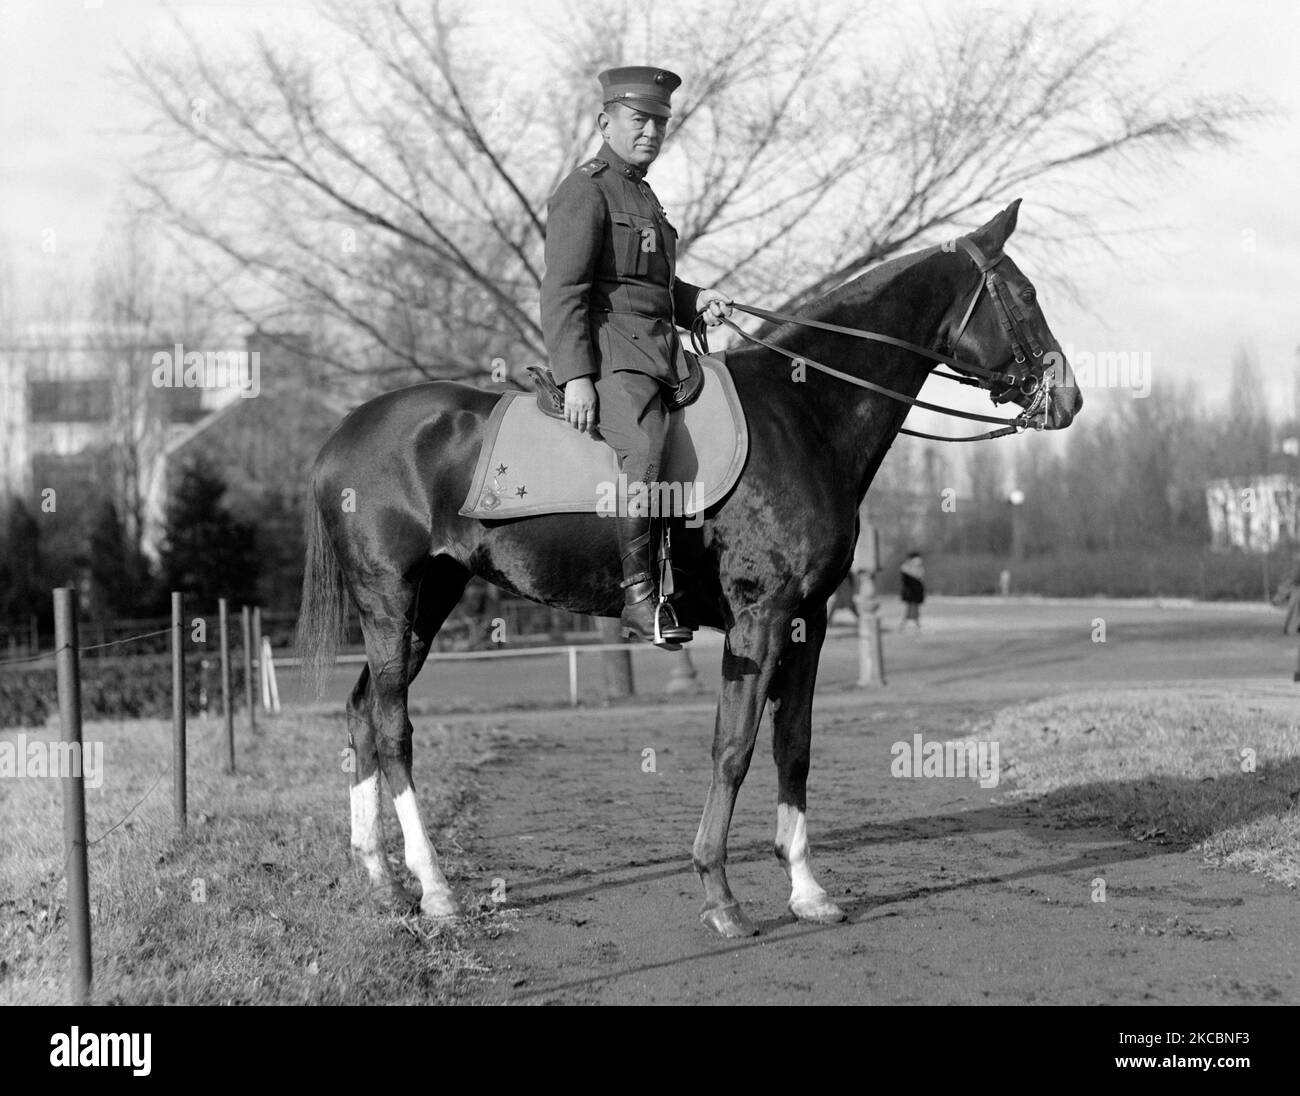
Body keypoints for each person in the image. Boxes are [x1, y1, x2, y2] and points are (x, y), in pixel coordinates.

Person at [540, 66, 732, 648]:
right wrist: (576, 377)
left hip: (660, 354)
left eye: (660, 123)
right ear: (606, 121)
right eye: (639, 119)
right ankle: (638, 598)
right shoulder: (584, 190)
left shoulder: (643, 196)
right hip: (611, 357)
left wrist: (696, 300)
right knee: (644, 450)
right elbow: (564, 290)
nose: (651, 131)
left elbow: (646, 287)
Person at [899, 551, 925, 631]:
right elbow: (908, 581)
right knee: (909, 609)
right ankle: (904, 625)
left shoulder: (919, 568)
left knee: (914, 609)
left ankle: (915, 624)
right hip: (910, 593)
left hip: (915, 593)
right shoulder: (906, 568)